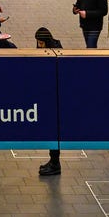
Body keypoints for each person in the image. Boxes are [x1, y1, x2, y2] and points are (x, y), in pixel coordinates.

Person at [35, 27, 64, 177]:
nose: (39, 45)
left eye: (40, 43)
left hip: (54, 97)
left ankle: (55, 163)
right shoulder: (48, 48)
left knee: (54, 134)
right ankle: (53, 162)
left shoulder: (55, 51)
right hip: (49, 95)